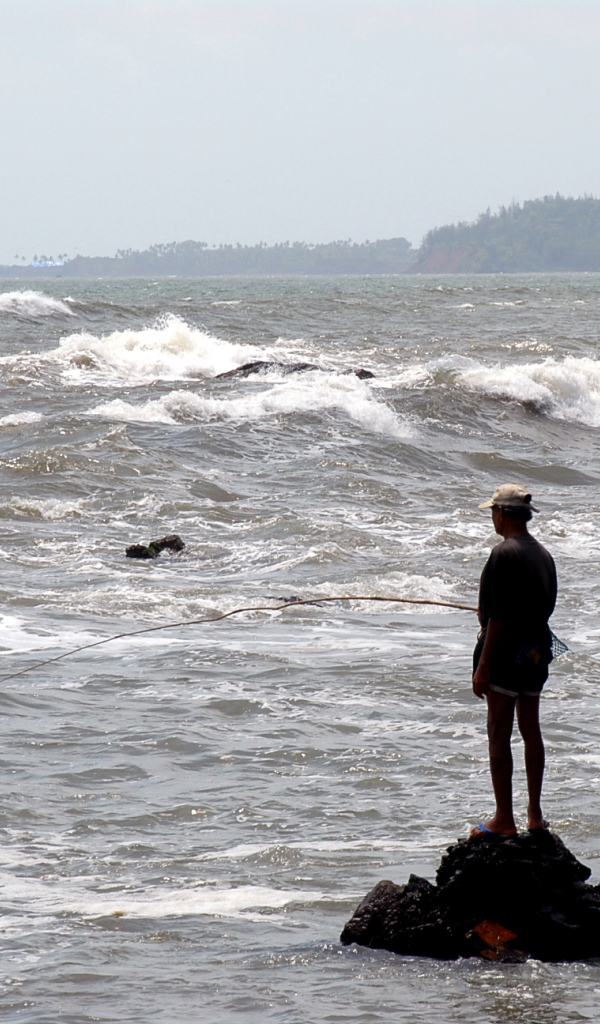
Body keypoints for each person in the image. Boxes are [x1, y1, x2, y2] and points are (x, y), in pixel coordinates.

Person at [471, 483, 557, 837]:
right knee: (531, 730)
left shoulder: (503, 553)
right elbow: (544, 607)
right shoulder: (544, 556)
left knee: (498, 733)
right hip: (537, 653)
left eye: (493, 511)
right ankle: (535, 816)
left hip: (506, 655)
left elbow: (497, 617)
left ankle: (504, 819)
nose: (492, 517)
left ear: (502, 514)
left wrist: (484, 666)